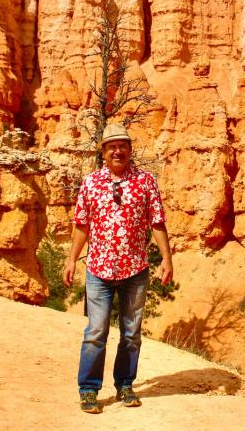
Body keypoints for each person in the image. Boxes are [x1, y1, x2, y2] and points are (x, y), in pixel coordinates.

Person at [63, 123, 173, 414]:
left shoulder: (146, 182)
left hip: (135, 270)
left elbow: (157, 222)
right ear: (103, 151)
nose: (118, 151)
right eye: (112, 146)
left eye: (122, 145)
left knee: (131, 333)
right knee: (96, 331)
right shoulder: (91, 183)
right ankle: (88, 389)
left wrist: (167, 260)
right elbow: (82, 225)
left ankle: (125, 384)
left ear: (130, 149)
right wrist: (71, 259)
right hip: (98, 269)